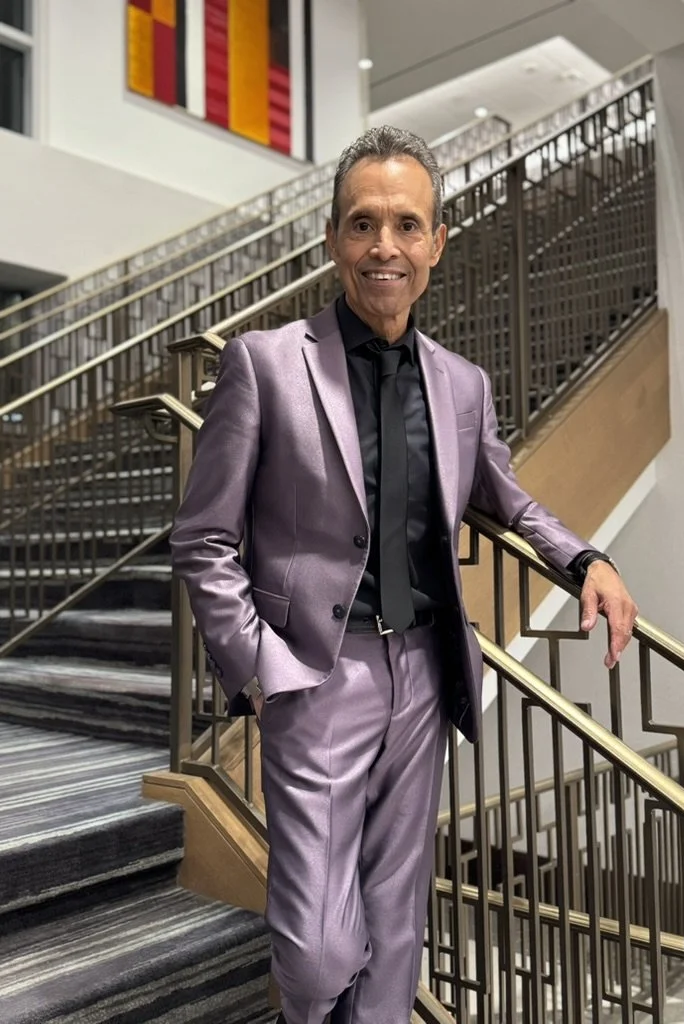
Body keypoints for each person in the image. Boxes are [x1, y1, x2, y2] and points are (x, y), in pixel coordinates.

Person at [169, 126, 638, 1024]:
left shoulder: (462, 384)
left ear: (436, 243)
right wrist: (262, 670)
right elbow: (203, 538)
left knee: (394, 920)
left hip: (423, 670)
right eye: (363, 223)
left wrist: (589, 560)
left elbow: (507, 499)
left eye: (406, 225)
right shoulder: (267, 364)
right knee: (316, 954)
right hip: (315, 673)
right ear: (334, 240)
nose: (384, 246)